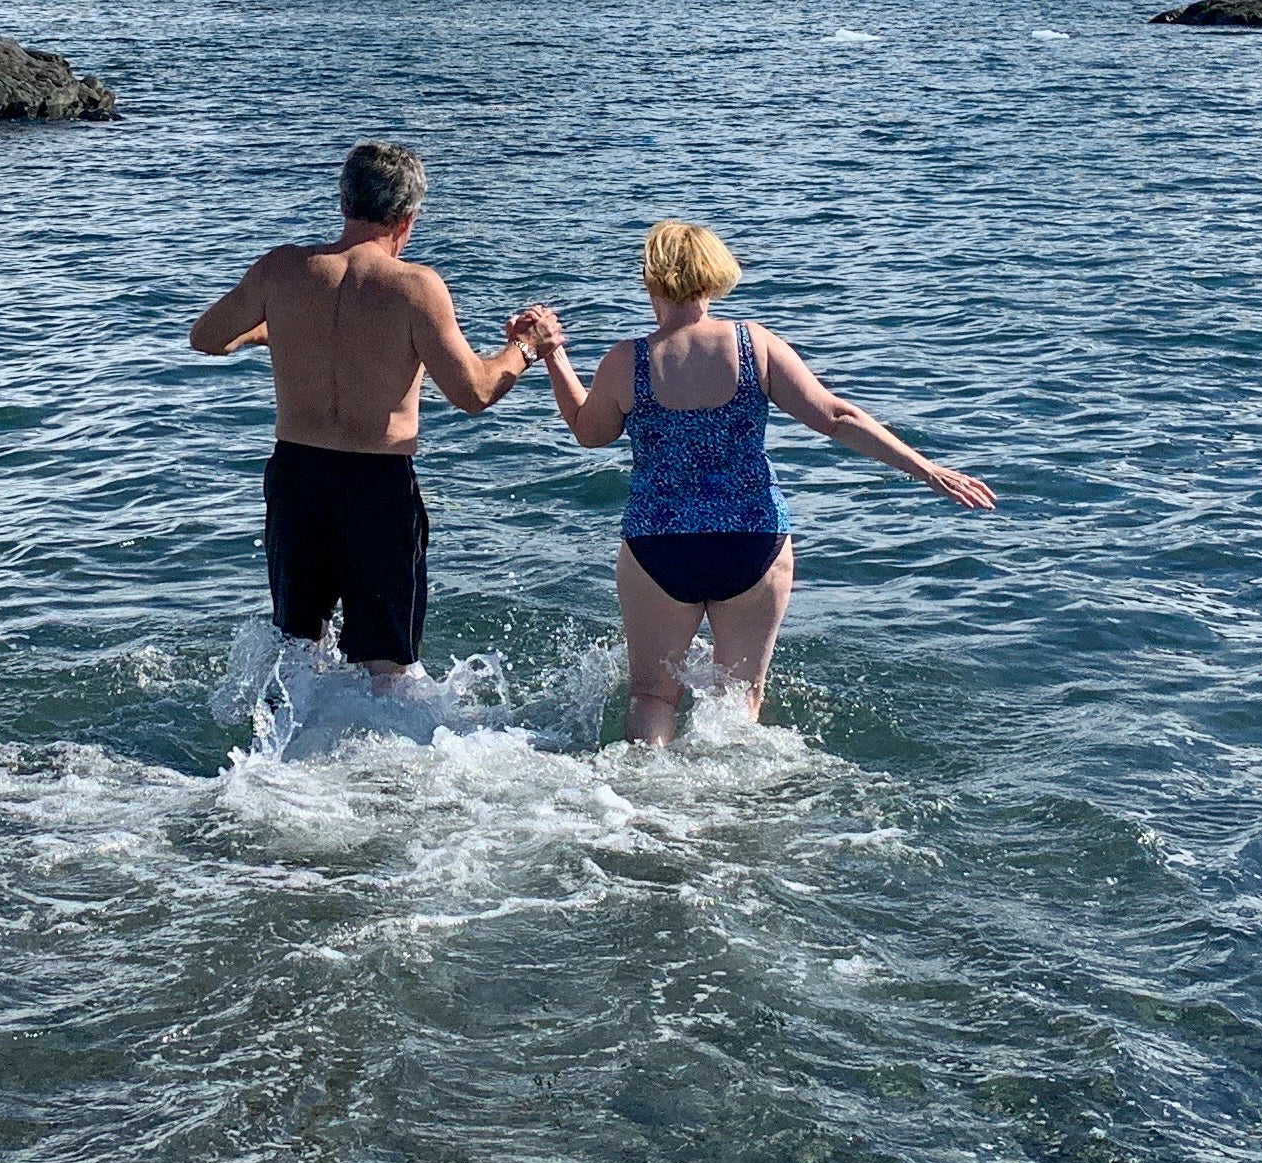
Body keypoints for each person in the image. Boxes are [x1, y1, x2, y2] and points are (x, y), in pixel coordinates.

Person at [527, 219, 993, 746]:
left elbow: (590, 433)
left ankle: (638, 808)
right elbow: (837, 418)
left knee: (652, 697)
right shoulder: (754, 346)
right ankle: (733, 808)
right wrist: (926, 469)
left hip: (660, 544)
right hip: (753, 541)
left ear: (651, 280)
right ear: (713, 278)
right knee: (739, 699)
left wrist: (552, 355)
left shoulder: (627, 361)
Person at [189, 140, 545, 683]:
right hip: (376, 483)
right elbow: (473, 392)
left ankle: (283, 758)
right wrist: (525, 349)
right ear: (408, 218)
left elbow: (208, 338)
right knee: (388, 665)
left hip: (296, 476)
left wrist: (280, 332)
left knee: (299, 649)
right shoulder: (414, 288)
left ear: (343, 203)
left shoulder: (282, 269)